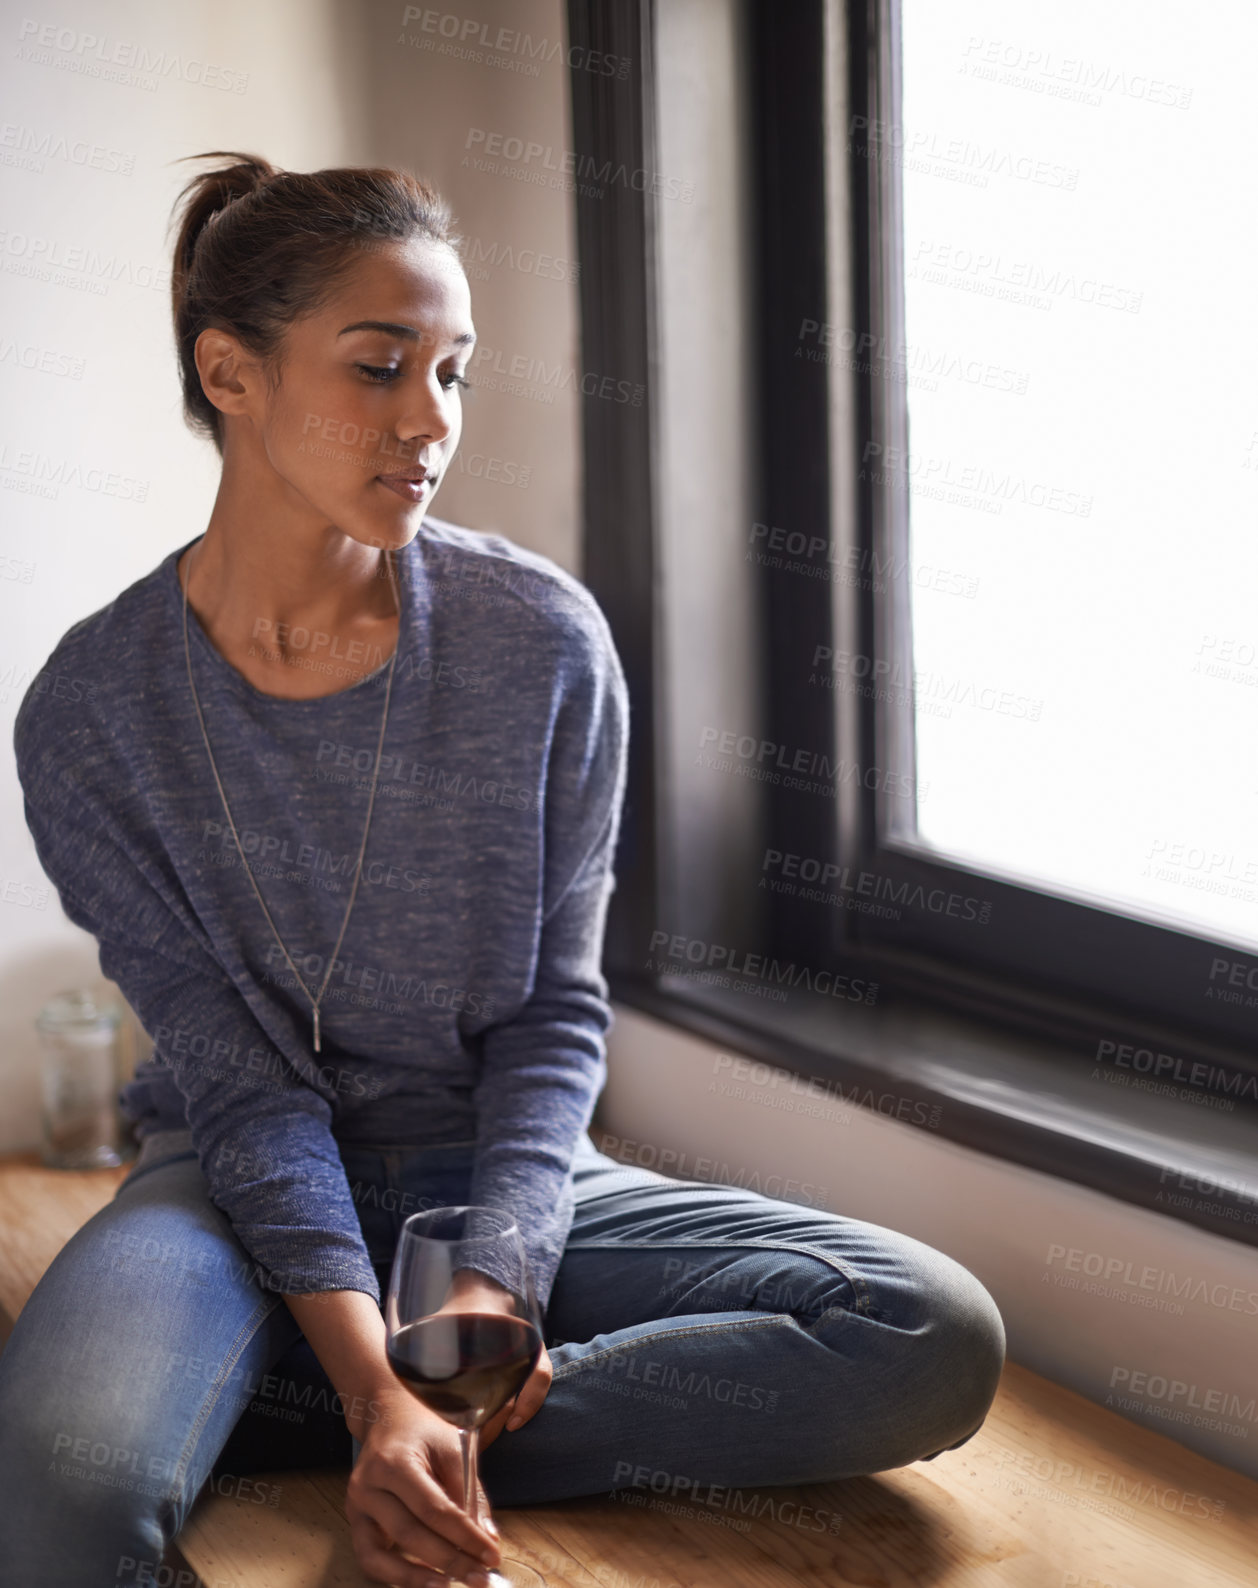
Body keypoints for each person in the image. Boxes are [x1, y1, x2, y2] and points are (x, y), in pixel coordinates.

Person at [0, 152, 1006, 1588]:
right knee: (55, 1502)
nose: (430, 422)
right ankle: (351, 1406)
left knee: (924, 1331)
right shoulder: (93, 711)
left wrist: (483, 1304)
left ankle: (356, 1432)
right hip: (228, 1188)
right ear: (231, 373)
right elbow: (236, 1077)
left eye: (454, 373)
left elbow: (553, 1018)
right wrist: (378, 1369)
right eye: (378, 366)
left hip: (502, 1181)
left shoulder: (536, 640)